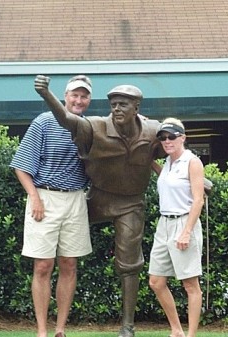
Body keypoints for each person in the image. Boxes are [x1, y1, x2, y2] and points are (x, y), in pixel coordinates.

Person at [34, 75, 165, 337]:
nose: (116, 109)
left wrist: (193, 178)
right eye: (113, 104)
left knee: (129, 263)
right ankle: (48, 325)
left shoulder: (153, 131)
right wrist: (47, 95)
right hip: (97, 199)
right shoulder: (94, 127)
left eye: (123, 105)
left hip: (130, 203)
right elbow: (67, 120)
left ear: (136, 108)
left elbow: (172, 151)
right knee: (56, 254)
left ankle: (127, 326)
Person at [10, 75, 93, 337]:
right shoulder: (44, 122)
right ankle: (42, 331)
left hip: (76, 199)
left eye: (84, 96)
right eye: (75, 95)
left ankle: (60, 329)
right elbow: (21, 167)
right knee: (43, 265)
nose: (79, 100)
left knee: (69, 264)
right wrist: (35, 198)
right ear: (65, 96)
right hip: (44, 198)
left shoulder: (90, 127)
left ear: (89, 100)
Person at [148, 118, 205, 337]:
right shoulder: (169, 164)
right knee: (156, 281)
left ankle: (190, 335)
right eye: (163, 137)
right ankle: (176, 330)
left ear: (183, 137)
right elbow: (164, 177)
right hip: (164, 224)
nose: (167, 141)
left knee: (191, 285)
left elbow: (198, 200)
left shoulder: (192, 162)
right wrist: (148, 161)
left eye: (172, 136)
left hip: (184, 222)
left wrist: (187, 231)